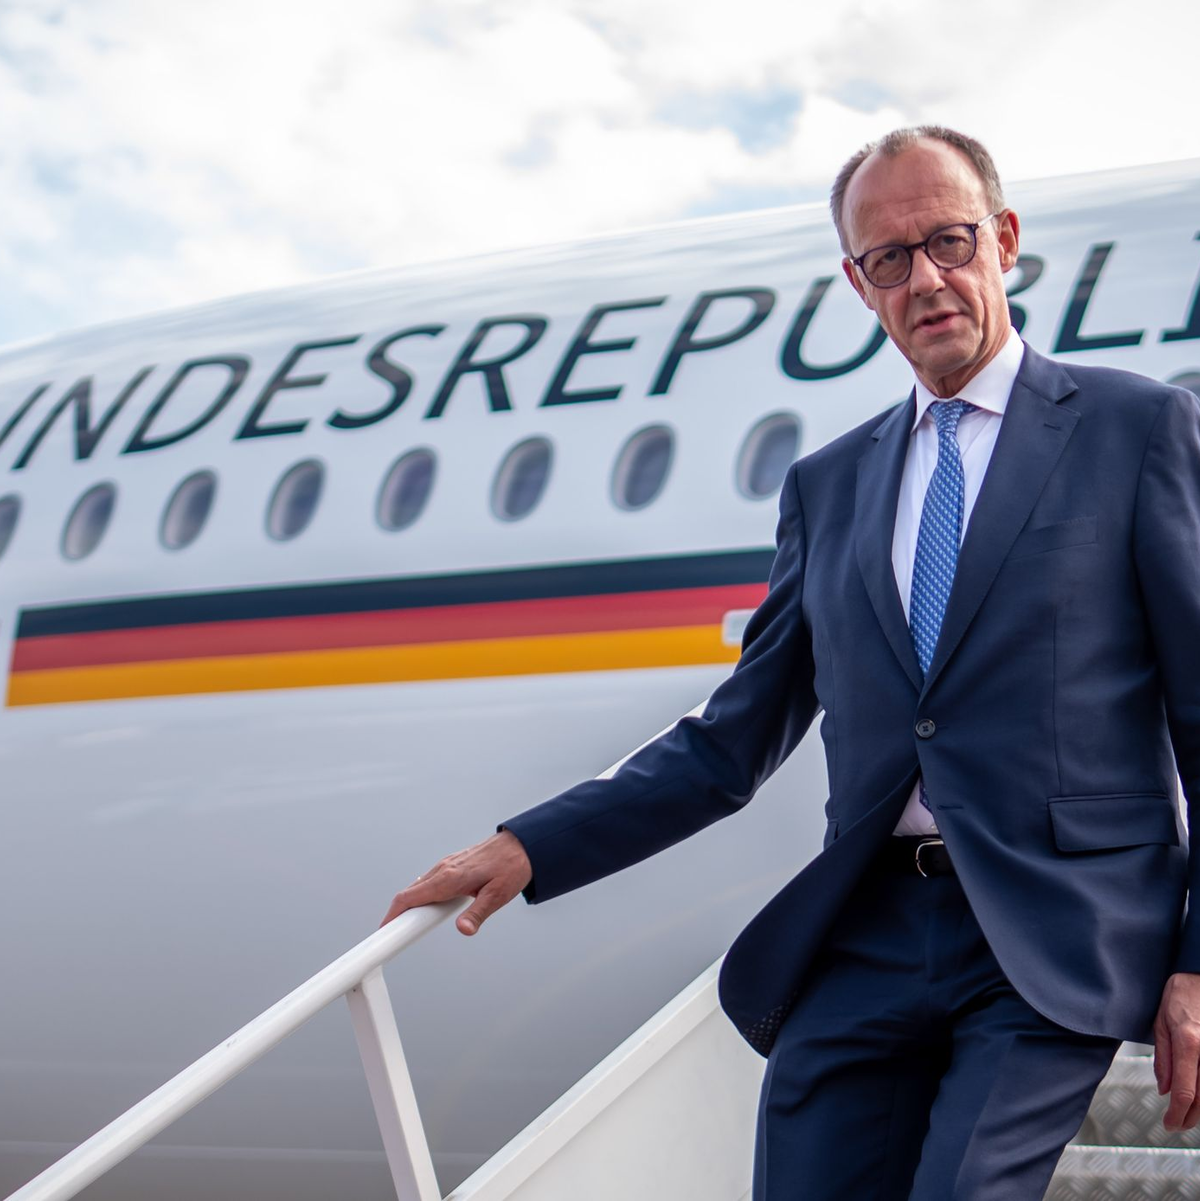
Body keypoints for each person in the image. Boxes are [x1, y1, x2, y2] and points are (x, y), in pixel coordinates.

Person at [382, 126, 1200, 1199]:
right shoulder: (832, 485)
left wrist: (1193, 959)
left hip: (1051, 934)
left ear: (1003, 241)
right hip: (867, 932)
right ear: (860, 286)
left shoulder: (1135, 430)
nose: (927, 279)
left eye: (949, 242)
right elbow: (734, 739)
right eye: (890, 259)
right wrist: (531, 846)